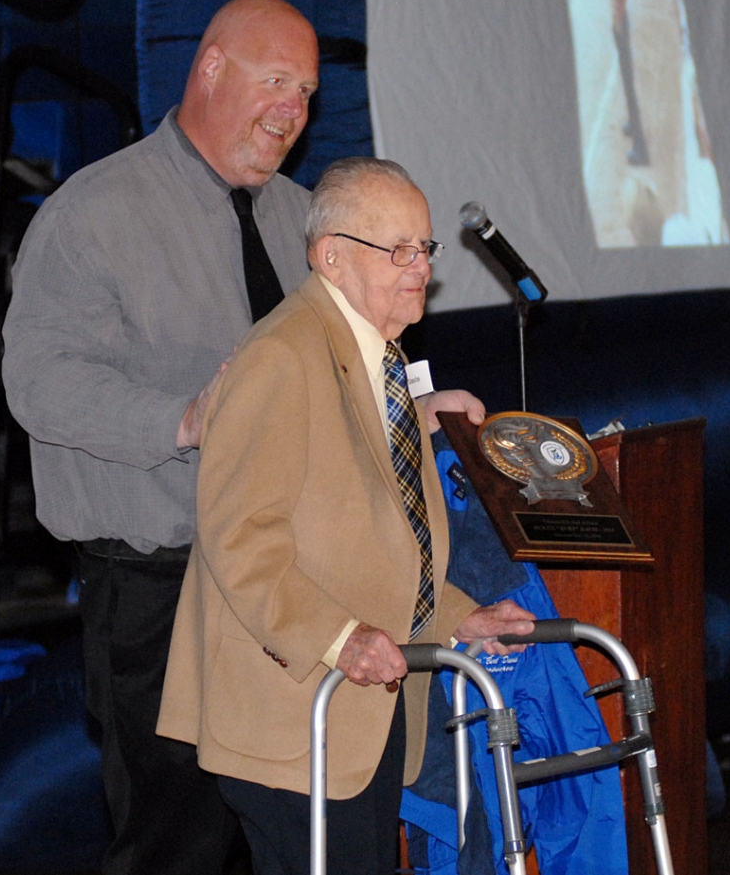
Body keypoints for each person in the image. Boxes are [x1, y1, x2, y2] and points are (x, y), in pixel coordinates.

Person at [1, 0, 485, 875]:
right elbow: (36, 380)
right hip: (158, 581)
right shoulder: (94, 213)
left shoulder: (306, 214)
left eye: (304, 92)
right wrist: (179, 419)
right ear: (210, 69)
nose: (293, 112)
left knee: (294, 842)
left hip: (300, 586)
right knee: (178, 845)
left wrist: (414, 409)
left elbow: (333, 380)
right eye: (275, 83)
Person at [157, 156, 535, 875]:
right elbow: (240, 538)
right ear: (330, 255)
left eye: (424, 247)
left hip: (360, 708)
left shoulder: (374, 357)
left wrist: (458, 616)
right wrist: (339, 638)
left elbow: (380, 539)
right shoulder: (281, 355)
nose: (419, 265)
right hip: (295, 711)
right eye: (397, 248)